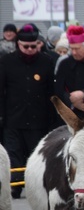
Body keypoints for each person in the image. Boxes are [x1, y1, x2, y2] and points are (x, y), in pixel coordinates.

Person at [0, 24, 56, 198]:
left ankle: (35, 186)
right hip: (13, 117)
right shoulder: (6, 61)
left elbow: (51, 92)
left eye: (34, 46)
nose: (30, 50)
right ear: (18, 44)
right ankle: (15, 186)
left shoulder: (46, 61)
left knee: (35, 154)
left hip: (37, 119)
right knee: (14, 153)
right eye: (26, 46)